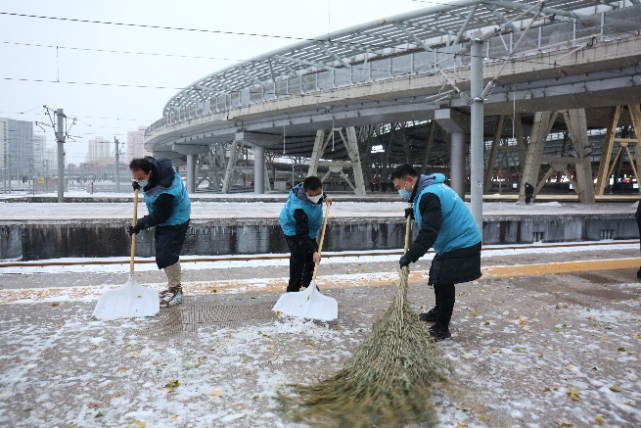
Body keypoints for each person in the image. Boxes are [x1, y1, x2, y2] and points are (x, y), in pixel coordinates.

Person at [392, 164, 482, 341]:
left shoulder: (428, 195)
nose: (400, 192)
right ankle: (438, 311)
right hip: (455, 241)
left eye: (399, 187)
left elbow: (430, 231)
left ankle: (442, 327)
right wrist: (415, 212)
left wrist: (410, 255)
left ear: (409, 180)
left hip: (462, 241)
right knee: (437, 275)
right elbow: (433, 214)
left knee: (444, 279)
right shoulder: (427, 190)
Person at [128, 157, 191, 308]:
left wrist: (139, 225)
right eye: (135, 178)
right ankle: (174, 286)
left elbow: (160, 215)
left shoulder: (166, 192)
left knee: (168, 255)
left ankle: (175, 291)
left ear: (150, 173)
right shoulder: (153, 167)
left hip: (176, 218)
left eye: (141, 178)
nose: (139, 181)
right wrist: (139, 183)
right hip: (167, 215)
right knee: (164, 252)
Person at [279, 176, 332, 292]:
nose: (315, 197)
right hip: (293, 228)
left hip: (310, 227)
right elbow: (302, 234)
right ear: (305, 191)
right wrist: (313, 251)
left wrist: (325, 197)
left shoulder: (317, 193)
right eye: (312, 195)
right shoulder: (299, 209)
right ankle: (293, 288)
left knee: (312, 258)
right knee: (298, 256)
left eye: (318, 193)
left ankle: (308, 281)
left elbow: (319, 194)